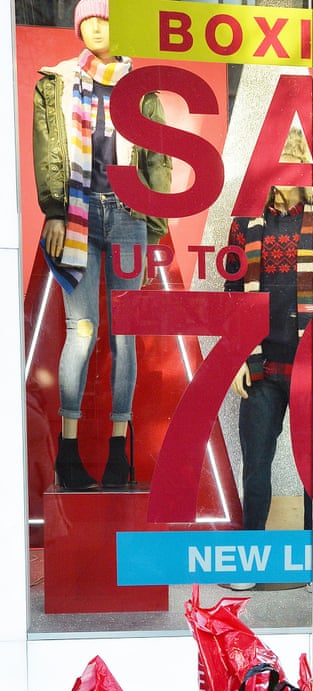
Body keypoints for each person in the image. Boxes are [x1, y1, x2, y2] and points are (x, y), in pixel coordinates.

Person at [32, 0, 171, 489]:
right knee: (83, 330)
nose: (95, 26)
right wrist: (54, 209)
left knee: (124, 336)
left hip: (128, 214)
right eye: (87, 18)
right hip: (77, 213)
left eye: (105, 18)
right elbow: (49, 148)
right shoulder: (58, 81)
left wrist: (153, 229)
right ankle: (68, 454)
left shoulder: (141, 88)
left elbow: (157, 158)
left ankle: (117, 451)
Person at [223, 128, 313, 591]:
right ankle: (248, 563)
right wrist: (237, 357)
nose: (285, 172)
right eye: (278, 161)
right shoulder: (244, 226)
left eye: (295, 160)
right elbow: (233, 296)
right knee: (256, 467)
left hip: (310, 366)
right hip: (260, 367)